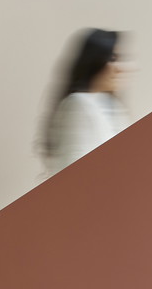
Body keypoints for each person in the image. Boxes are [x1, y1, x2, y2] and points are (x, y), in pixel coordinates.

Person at [39, 28, 131, 177]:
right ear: (96, 61)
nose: (120, 68)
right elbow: (75, 173)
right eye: (113, 59)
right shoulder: (78, 104)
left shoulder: (115, 107)